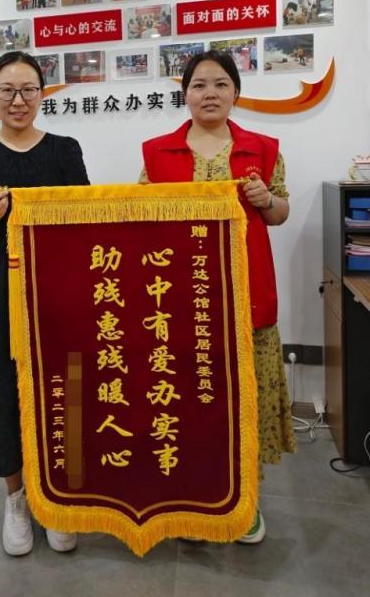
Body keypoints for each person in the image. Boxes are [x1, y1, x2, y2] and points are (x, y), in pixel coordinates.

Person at [140, 50, 295, 545]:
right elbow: (140, 217)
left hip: (247, 294)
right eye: (199, 85)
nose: (210, 93)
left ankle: (245, 499)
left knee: (244, 397)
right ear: (185, 94)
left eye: (221, 84)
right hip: (180, 299)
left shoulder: (263, 149)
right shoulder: (156, 152)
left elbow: (280, 213)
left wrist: (266, 200)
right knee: (189, 397)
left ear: (235, 93)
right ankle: (195, 497)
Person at [0, 51, 90, 556]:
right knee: (4, 386)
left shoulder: (64, 151)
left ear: (41, 94)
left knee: (63, 388)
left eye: (28, 89)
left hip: (57, 286)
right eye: (7, 90)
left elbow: (86, 215)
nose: (18, 100)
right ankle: (16, 499)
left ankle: (59, 498)